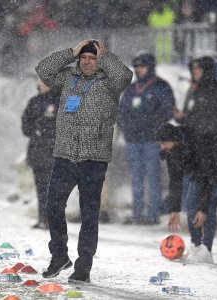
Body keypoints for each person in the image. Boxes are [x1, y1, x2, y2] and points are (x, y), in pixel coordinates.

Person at [35, 39, 132, 283]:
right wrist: (71, 52)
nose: (88, 62)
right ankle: (59, 256)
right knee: (53, 207)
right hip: (65, 155)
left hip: (94, 159)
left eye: (93, 58)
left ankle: (83, 268)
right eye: (84, 58)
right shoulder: (68, 77)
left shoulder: (109, 81)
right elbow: (43, 70)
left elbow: (125, 77)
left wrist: (106, 56)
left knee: (89, 215)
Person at [164, 56, 217, 262]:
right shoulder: (193, 91)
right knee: (192, 204)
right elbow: (193, 118)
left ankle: (206, 247)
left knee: (207, 205)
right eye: (193, 68)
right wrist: (183, 119)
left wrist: (204, 136)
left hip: (215, 157)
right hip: (197, 155)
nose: (195, 72)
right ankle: (197, 244)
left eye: (198, 68)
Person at [118, 52, 175, 225]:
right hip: (133, 141)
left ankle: (152, 214)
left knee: (153, 177)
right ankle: (137, 213)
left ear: (150, 67)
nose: (139, 70)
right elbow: (121, 113)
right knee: (136, 177)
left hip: (152, 141)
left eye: (142, 67)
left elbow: (167, 111)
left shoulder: (161, 87)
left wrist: (150, 126)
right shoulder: (131, 89)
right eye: (137, 67)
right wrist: (127, 129)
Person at [21, 80, 60, 230]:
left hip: (54, 151)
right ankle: (42, 217)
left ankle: (52, 219)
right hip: (37, 152)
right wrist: (37, 130)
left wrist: (46, 130)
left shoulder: (60, 101)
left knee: (53, 187)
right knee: (41, 187)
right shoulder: (34, 101)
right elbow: (25, 126)